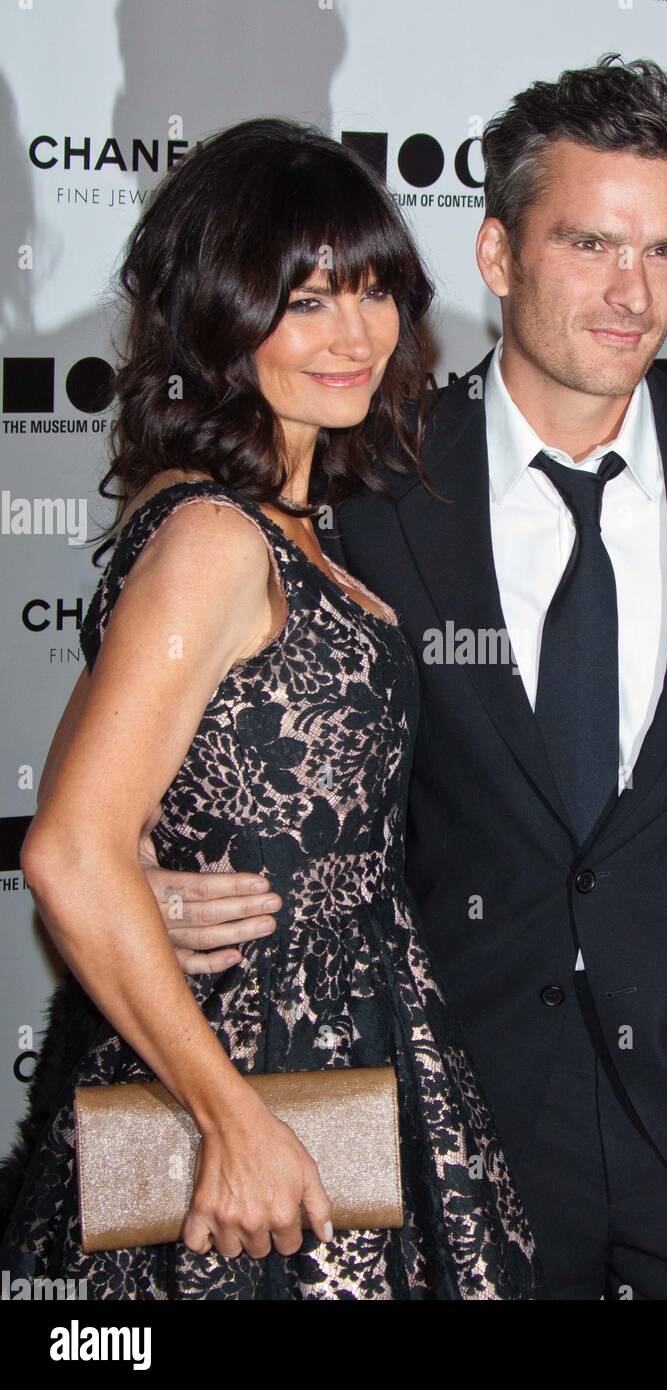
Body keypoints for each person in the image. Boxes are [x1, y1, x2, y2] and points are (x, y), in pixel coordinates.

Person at [0, 117, 539, 1300]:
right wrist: (230, 1117)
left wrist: (146, 863)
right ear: (225, 320)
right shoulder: (212, 537)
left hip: (344, 1061)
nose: (357, 334)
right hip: (251, 1103)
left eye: (376, 290)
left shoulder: (274, 517)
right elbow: (68, 848)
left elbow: (116, 788)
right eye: (306, 302)